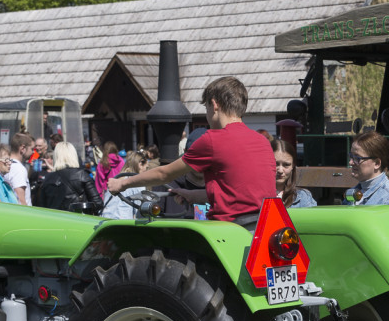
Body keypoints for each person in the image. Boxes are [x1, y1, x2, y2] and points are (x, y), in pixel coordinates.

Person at [109, 76, 275, 223]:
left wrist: (123, 183)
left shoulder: (213, 139)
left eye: (206, 109)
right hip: (263, 225)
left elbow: (164, 174)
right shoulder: (262, 142)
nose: (207, 115)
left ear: (214, 104)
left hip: (230, 228)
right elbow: (242, 196)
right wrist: (195, 196)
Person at [343, 131, 389, 211]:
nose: (350, 162)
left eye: (357, 158)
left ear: (377, 163)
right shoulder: (351, 194)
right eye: (351, 156)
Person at [40, 141, 103, 214]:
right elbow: (98, 203)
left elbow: (42, 207)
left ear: (56, 156)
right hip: (78, 221)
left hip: (55, 222)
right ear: (73, 155)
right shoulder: (82, 175)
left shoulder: (48, 178)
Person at [101, 151, 148, 219]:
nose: (146, 171)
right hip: (122, 221)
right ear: (140, 164)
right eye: (146, 168)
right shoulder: (138, 183)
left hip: (105, 218)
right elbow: (139, 212)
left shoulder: (116, 179)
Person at [272, 139, 316, 208]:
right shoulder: (255, 196)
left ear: (293, 166)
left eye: (286, 165)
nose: (280, 170)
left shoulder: (303, 197)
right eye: (275, 164)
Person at [5, 132, 34, 205]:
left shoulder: (6, 164)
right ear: (22, 148)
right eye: (31, 149)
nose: (33, 152)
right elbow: (20, 200)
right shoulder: (18, 169)